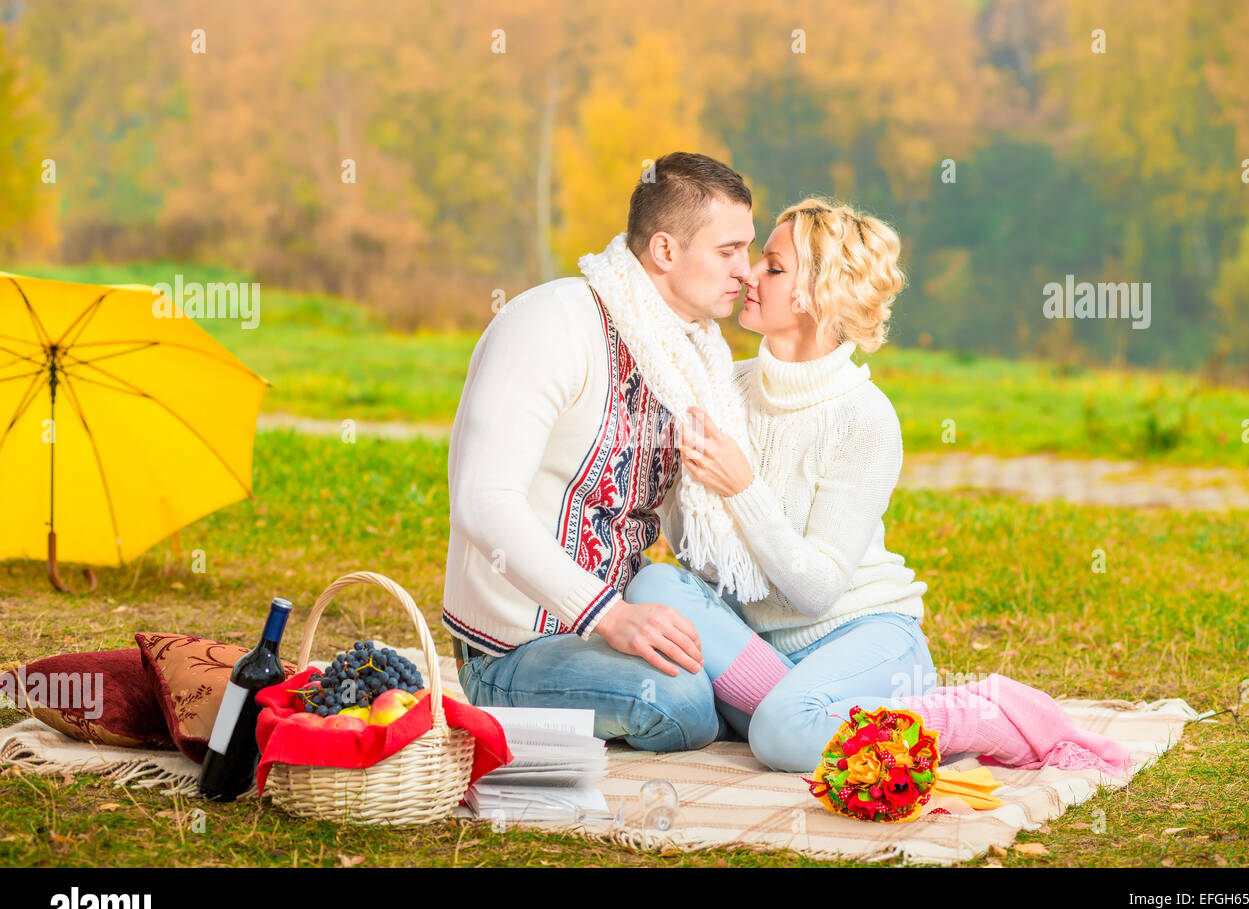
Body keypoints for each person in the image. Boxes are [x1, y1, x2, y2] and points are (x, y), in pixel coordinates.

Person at [625, 197, 1133, 775]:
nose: (747, 274)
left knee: (781, 736)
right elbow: (706, 557)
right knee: (655, 587)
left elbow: (814, 592)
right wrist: (681, 486)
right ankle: (804, 711)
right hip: (763, 646)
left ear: (815, 293)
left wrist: (742, 486)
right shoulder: (729, 387)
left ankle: (976, 715)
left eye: (772, 265)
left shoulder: (864, 417)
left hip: (862, 635)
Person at [443, 151, 774, 751]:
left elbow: (689, 531)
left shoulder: (688, 359)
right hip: (516, 648)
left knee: (772, 690)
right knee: (681, 702)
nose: (746, 272)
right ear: (666, 251)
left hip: (631, 606)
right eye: (729, 251)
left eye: (747, 250)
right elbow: (481, 501)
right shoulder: (551, 323)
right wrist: (610, 617)